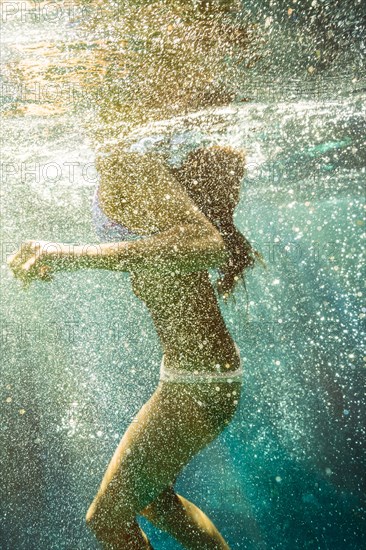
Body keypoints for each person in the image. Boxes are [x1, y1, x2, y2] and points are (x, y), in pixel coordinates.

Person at [7, 140, 264, 549]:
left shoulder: (132, 160)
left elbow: (208, 246)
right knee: (154, 501)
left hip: (198, 381)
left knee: (107, 519)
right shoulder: (130, 157)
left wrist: (71, 254)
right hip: (193, 372)